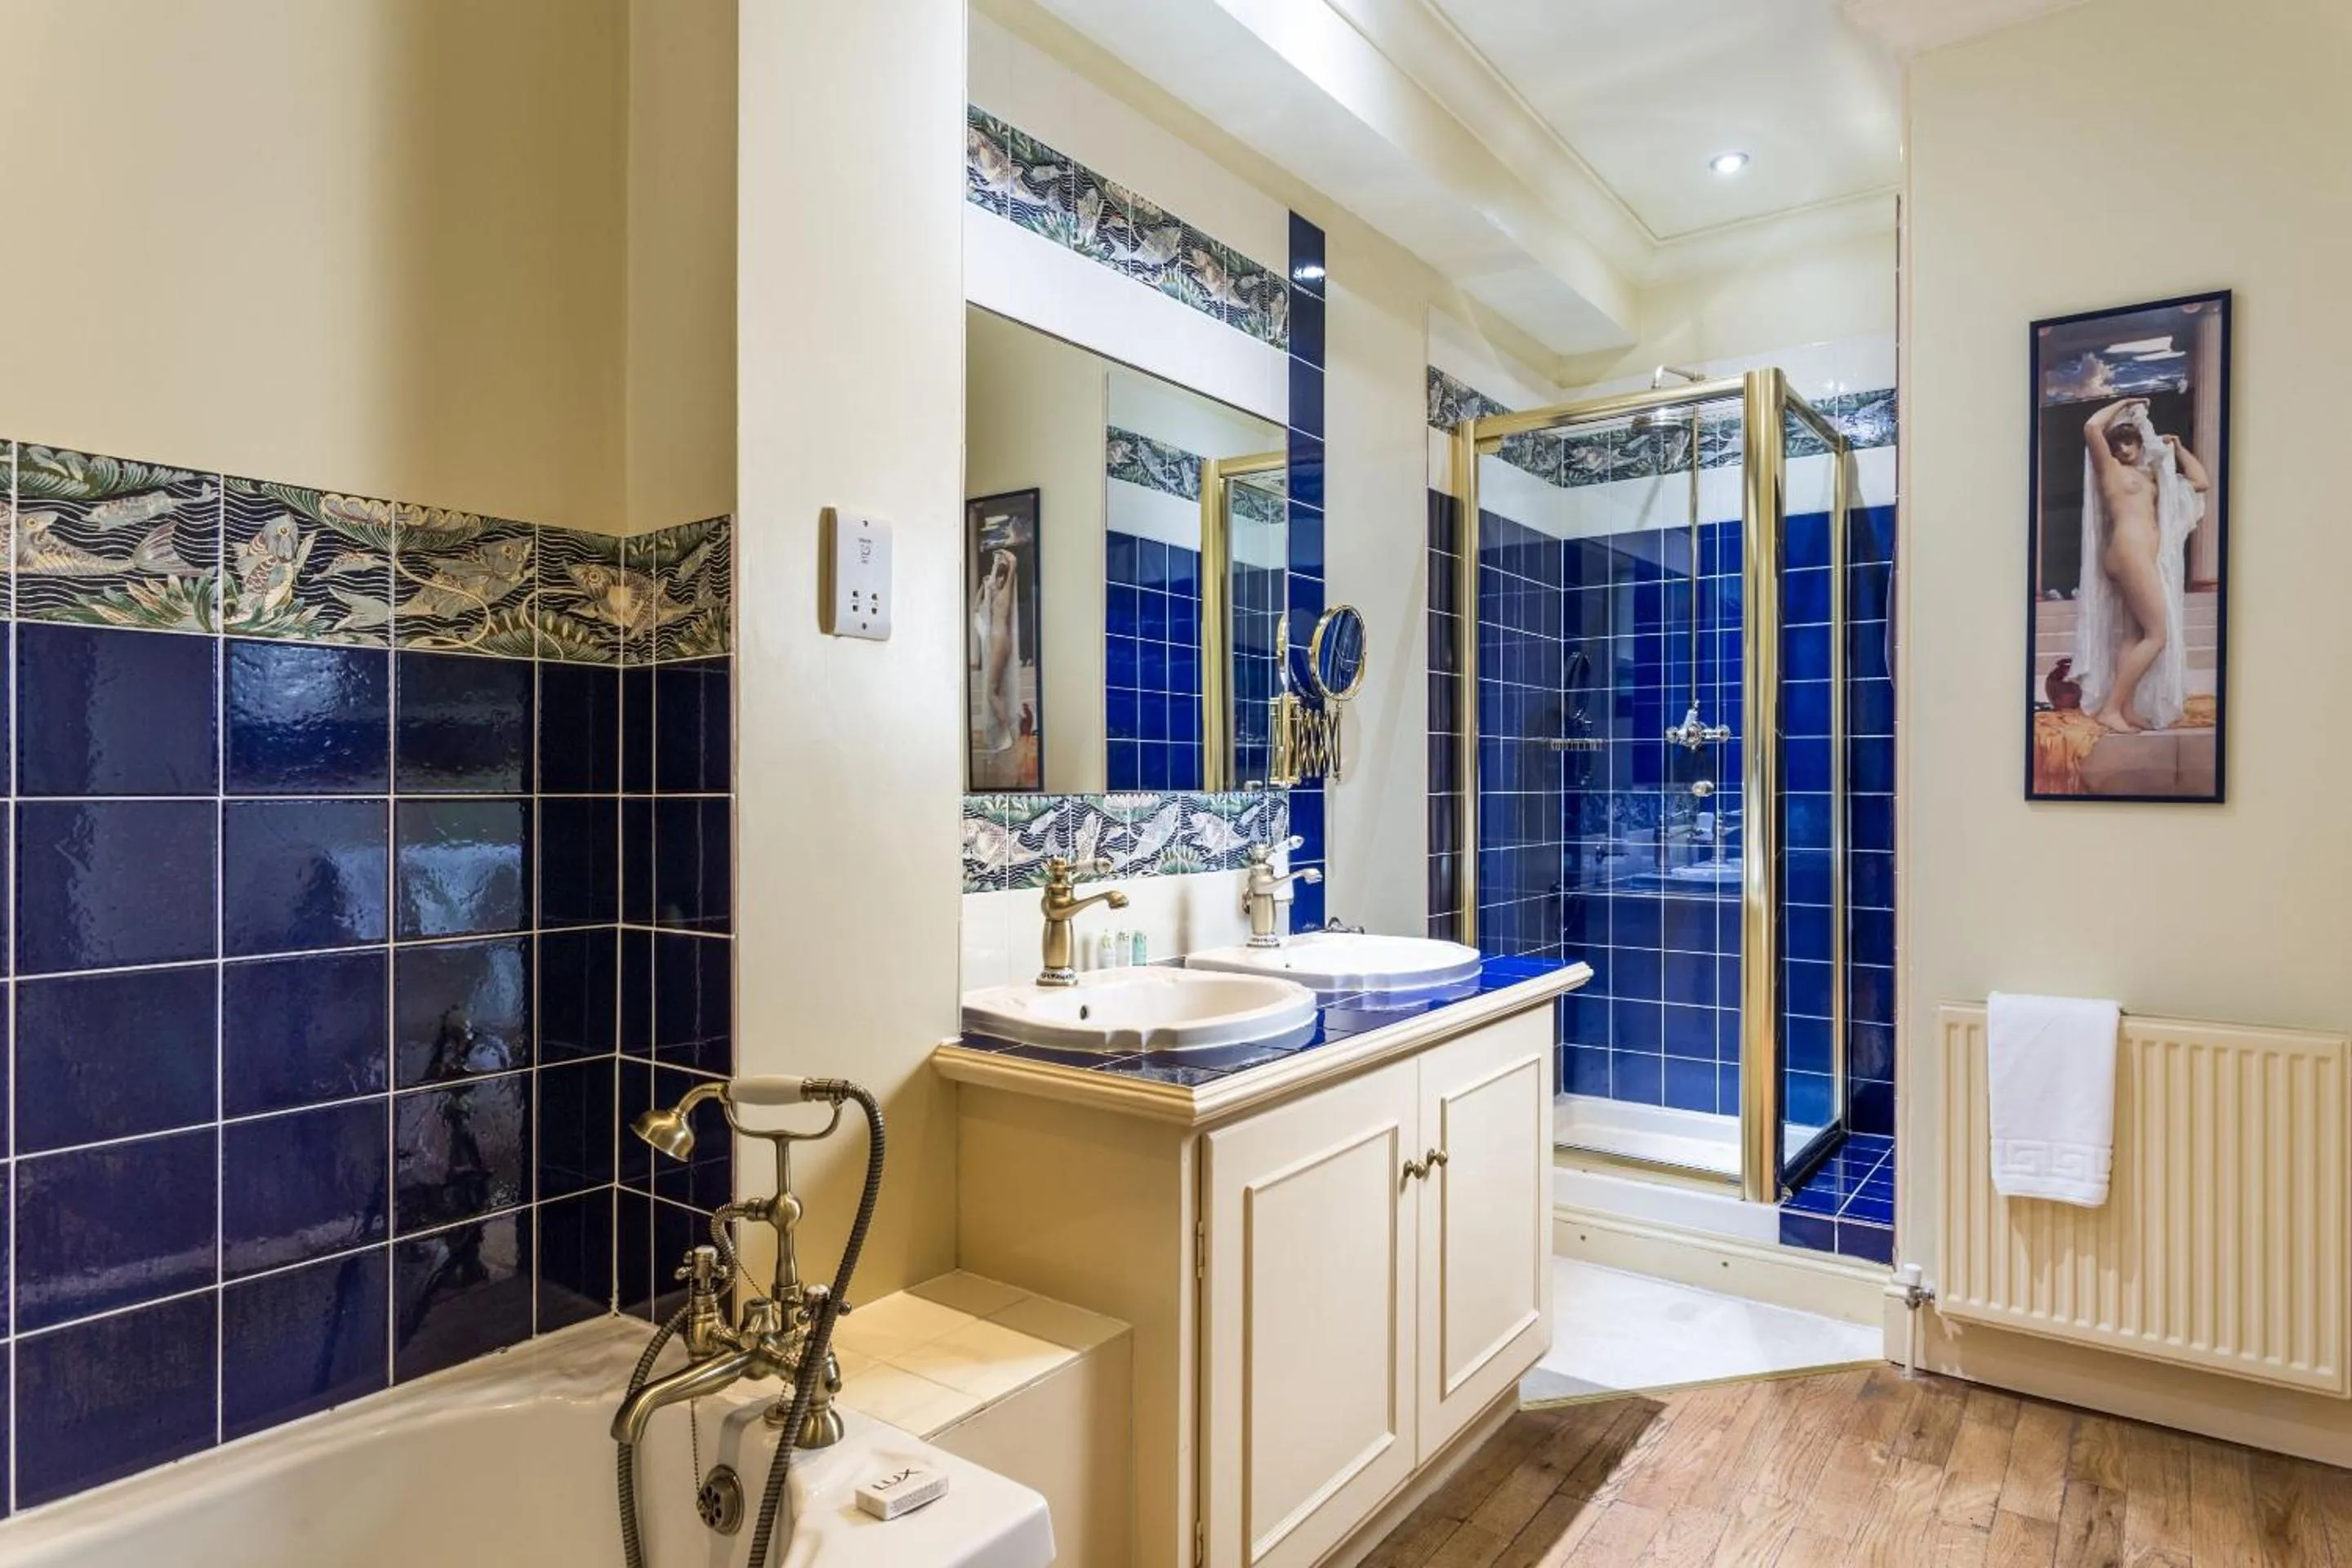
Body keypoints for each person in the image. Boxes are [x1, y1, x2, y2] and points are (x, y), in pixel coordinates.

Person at [2078, 397, 2209, 733]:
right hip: (2129, 552)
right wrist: (2127, 402)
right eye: (2118, 444)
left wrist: (2178, 448)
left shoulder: (2153, 476)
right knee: (2158, 634)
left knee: (2134, 635)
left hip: (2137, 556)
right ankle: (2111, 709)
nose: (2124, 449)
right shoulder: (2110, 470)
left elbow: (2200, 482)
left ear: (2139, 443)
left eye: (2129, 442)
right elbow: (2092, 427)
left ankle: (2126, 709)